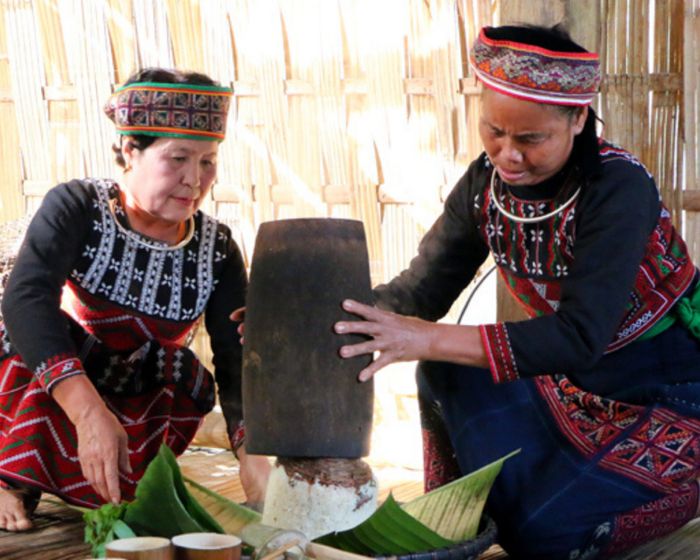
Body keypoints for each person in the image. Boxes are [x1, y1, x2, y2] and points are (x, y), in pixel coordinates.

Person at [335, 25, 700, 559]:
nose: (507, 154)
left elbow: (578, 338)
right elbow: (419, 290)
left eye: (530, 139)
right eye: (493, 131)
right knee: (444, 370)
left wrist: (427, 337)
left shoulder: (617, 189)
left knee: (543, 536)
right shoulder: (484, 187)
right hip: (573, 393)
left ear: (578, 119)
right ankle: (462, 517)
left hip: (669, 396)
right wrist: (315, 317)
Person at [0, 68, 270, 532]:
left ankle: (115, 484)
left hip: (130, 397)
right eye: (178, 158)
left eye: (208, 161)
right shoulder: (78, 206)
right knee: (29, 328)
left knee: (183, 372)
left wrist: (252, 453)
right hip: (62, 388)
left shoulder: (218, 247)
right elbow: (25, 298)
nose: (194, 179)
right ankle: (10, 477)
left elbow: (235, 355)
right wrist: (88, 413)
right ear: (130, 151)